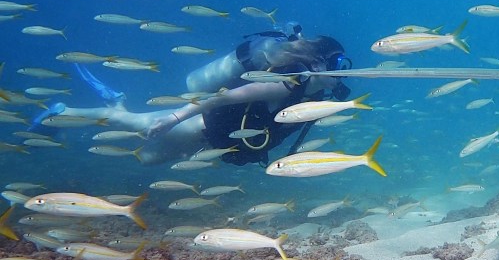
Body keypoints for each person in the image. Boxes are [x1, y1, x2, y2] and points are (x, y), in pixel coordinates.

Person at [52, 23, 353, 165]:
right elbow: (222, 97)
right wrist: (172, 117)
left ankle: (114, 101)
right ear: (317, 62)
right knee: (126, 122)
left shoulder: (315, 99)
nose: (342, 71)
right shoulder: (284, 84)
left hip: (209, 142)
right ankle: (62, 112)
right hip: (198, 125)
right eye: (338, 63)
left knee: (146, 158)